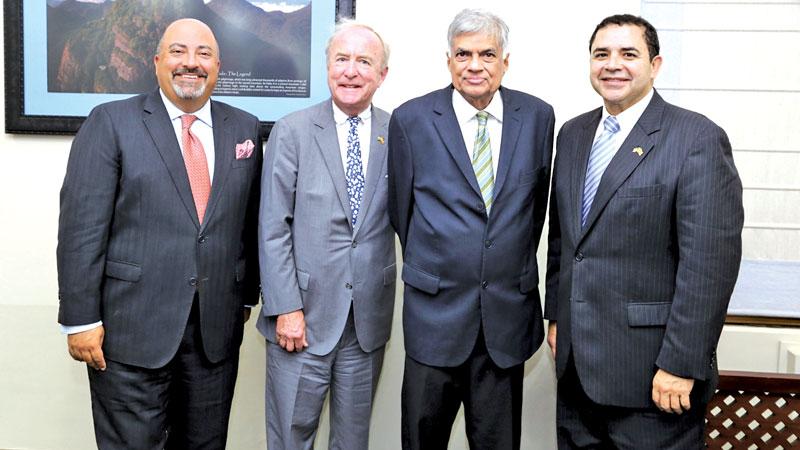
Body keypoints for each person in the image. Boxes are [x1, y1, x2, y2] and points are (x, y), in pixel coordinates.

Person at [57, 18, 262, 449]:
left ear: (219, 65)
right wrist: (80, 319)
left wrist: (247, 295)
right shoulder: (111, 122)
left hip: (214, 333)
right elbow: (81, 227)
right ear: (156, 62)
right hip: (129, 331)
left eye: (204, 54)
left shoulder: (244, 128)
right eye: (178, 51)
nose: (191, 63)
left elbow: (248, 221)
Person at [544, 14, 743, 448]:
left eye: (628, 54)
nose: (613, 64)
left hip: (653, 379)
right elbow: (564, 239)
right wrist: (557, 316)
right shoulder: (573, 134)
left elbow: (709, 266)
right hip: (577, 375)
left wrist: (681, 363)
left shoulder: (696, 138)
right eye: (602, 54)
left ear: (655, 65)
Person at [388, 8, 555, 450]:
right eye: (463, 54)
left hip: (504, 318)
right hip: (433, 316)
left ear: (505, 61)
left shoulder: (538, 117)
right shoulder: (411, 119)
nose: (474, 65)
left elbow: (533, 214)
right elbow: (401, 213)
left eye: (487, 54)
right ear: (448, 60)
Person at [256, 21, 394, 450]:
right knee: (292, 438)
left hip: (365, 322)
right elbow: (272, 225)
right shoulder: (292, 130)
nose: (351, 71)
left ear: (382, 74)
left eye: (364, 62)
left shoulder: (399, 132)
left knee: (353, 441)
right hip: (302, 320)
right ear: (327, 67)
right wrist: (286, 308)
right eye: (342, 60)